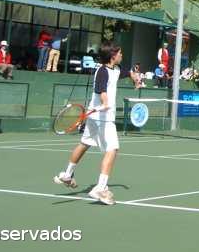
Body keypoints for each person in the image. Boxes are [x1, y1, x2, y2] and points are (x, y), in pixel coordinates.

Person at [53, 42, 138, 206]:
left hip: (96, 116)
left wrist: (133, 76)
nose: (122, 55)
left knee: (84, 143)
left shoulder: (116, 69)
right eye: (120, 53)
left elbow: (125, 73)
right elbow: (101, 89)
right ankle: (100, 187)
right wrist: (105, 102)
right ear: (113, 56)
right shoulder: (102, 71)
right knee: (112, 149)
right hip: (103, 117)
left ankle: (67, 174)